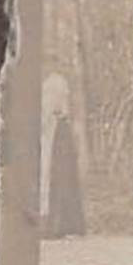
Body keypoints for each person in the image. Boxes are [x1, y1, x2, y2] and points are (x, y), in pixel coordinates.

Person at [40, 72, 86, 238]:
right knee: (48, 182)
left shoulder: (56, 84)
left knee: (60, 182)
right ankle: (52, 225)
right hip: (49, 144)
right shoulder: (49, 88)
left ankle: (62, 225)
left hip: (57, 144)